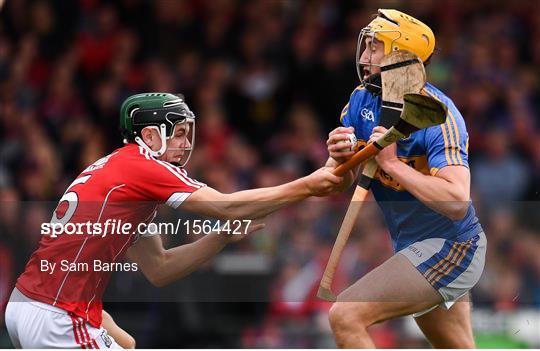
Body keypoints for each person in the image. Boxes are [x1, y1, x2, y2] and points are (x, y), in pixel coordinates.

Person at [4, 92, 345, 348]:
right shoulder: (143, 167)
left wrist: (220, 238)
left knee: (128, 343)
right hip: (57, 313)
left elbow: (160, 268)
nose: (186, 144)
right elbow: (225, 206)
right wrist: (308, 185)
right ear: (149, 137)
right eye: (178, 133)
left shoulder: (125, 179)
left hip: (34, 305)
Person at [325, 9, 486, 348]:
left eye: (374, 48)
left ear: (401, 58)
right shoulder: (361, 99)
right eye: (366, 47)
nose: (364, 57)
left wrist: (395, 166)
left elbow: (457, 202)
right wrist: (340, 158)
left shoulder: (439, 116)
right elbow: (338, 181)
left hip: (451, 247)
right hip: (411, 247)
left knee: (346, 314)